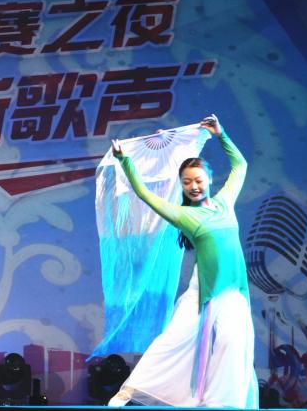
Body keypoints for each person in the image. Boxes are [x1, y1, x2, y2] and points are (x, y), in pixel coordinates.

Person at [106, 114, 258, 408]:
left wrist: (221, 134)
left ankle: (221, 401)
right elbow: (144, 194)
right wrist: (125, 161)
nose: (193, 186)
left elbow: (240, 166)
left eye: (198, 180)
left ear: (209, 179)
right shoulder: (184, 215)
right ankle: (130, 389)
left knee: (232, 342)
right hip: (205, 291)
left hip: (234, 291)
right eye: (187, 182)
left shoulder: (225, 203)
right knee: (173, 339)